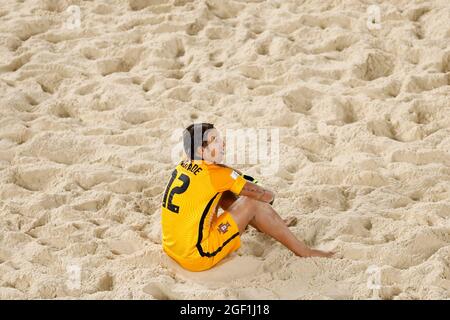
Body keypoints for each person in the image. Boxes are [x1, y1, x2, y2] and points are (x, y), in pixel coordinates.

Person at [161, 123, 333, 272]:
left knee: (222, 193)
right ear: (201, 150)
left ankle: (267, 224)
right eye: (216, 140)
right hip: (197, 256)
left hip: (172, 248)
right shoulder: (219, 175)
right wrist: (252, 186)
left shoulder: (186, 161)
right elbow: (266, 196)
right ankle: (305, 252)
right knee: (253, 202)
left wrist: (231, 176)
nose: (224, 143)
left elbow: (222, 178)